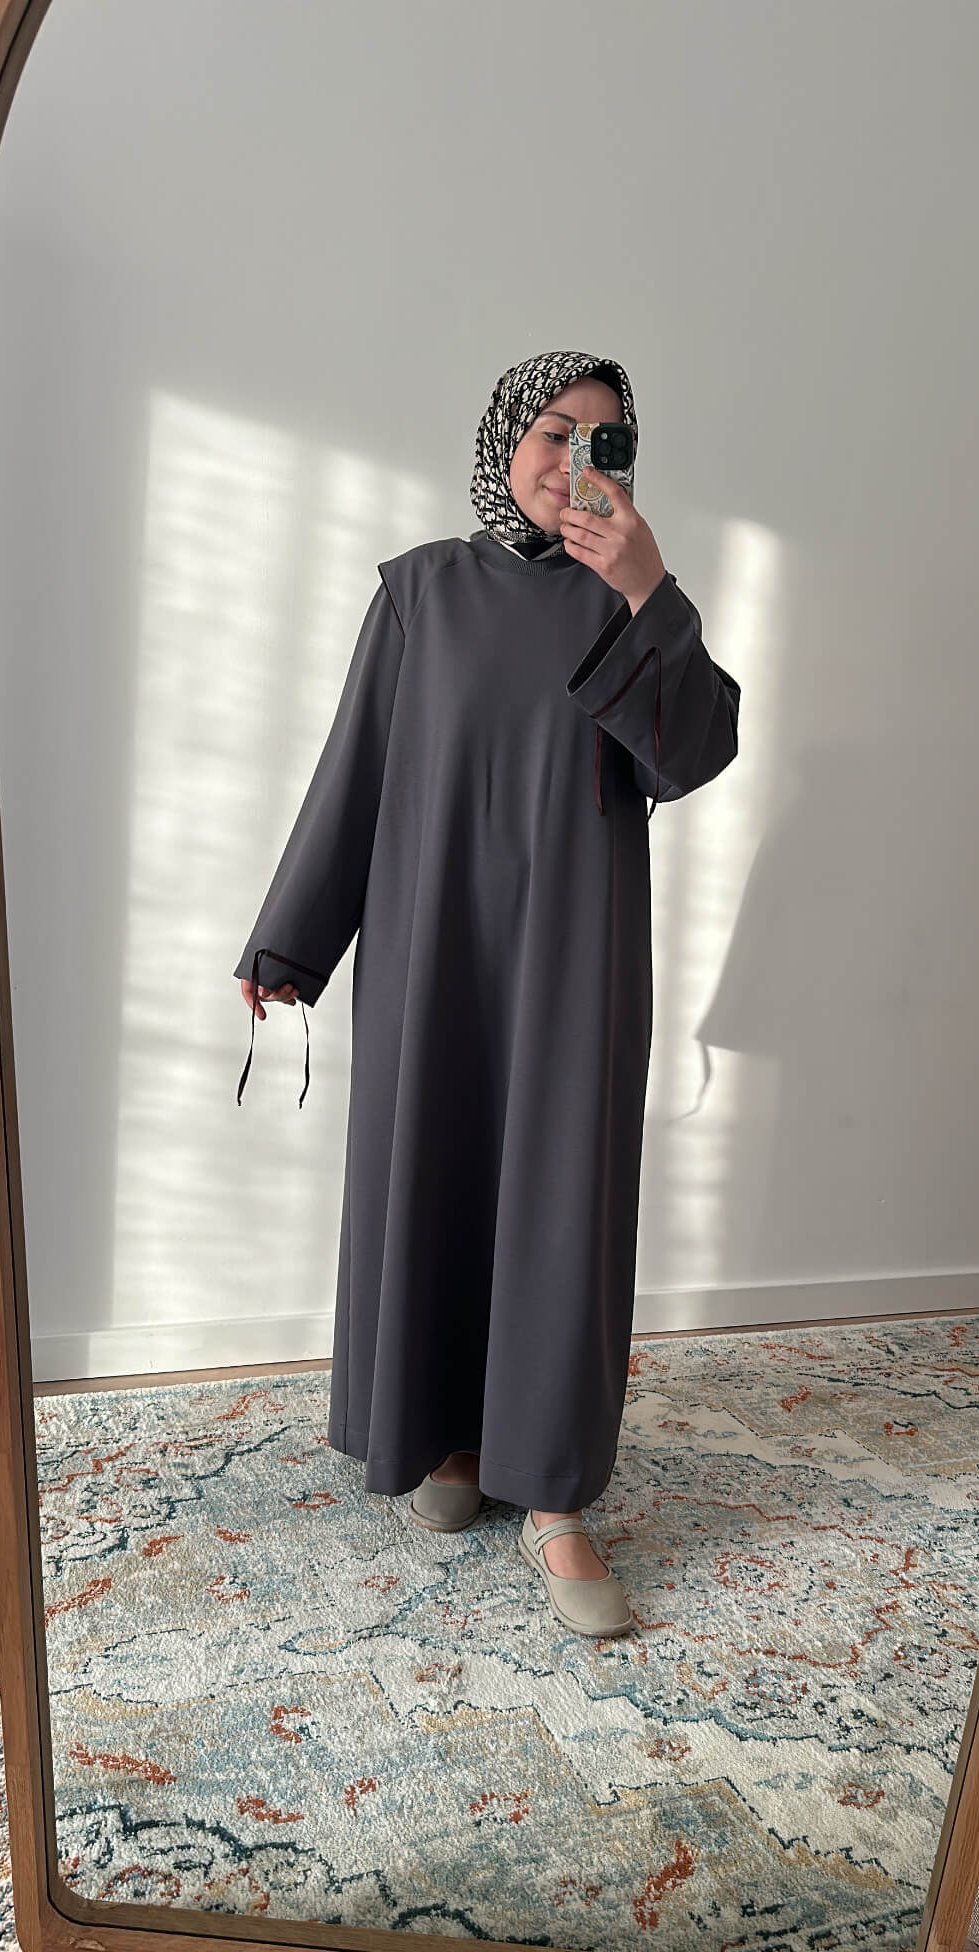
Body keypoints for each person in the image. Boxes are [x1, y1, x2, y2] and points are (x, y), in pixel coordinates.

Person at [234, 349, 741, 1639]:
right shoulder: (421, 592)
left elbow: (691, 757)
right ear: (506, 438)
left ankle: (555, 1496)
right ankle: (451, 1440)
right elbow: (356, 770)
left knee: (563, 1199)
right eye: (556, 430)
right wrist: (290, 943)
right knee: (439, 1172)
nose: (576, 459)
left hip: (577, 953)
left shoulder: (630, 598)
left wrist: (648, 590)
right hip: (433, 946)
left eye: (606, 441)